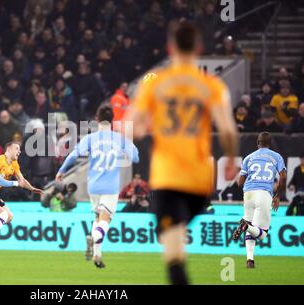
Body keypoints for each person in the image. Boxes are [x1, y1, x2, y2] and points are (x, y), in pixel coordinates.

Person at [125, 21, 238, 285]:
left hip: (169, 178)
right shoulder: (212, 85)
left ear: (169, 47)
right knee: (177, 237)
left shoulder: (155, 84)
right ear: (199, 48)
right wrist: (231, 160)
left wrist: (145, 128)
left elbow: (132, 128)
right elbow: (229, 131)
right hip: (200, 181)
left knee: (173, 253)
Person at [56, 104, 140, 268]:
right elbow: (135, 158)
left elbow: (73, 155)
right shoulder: (119, 138)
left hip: (93, 186)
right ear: (113, 120)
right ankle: (94, 236)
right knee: (105, 220)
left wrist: (61, 171)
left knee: (97, 218)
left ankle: (97, 254)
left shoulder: (90, 139)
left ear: (96, 119)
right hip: (110, 186)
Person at [232, 132, 287, 268]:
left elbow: (240, 182)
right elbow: (283, 177)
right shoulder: (276, 157)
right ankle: (245, 226)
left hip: (249, 193)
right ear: (270, 143)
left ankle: (250, 260)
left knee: (252, 229)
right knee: (262, 234)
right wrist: (278, 196)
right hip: (263, 193)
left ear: (258, 143)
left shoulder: (248, 158)